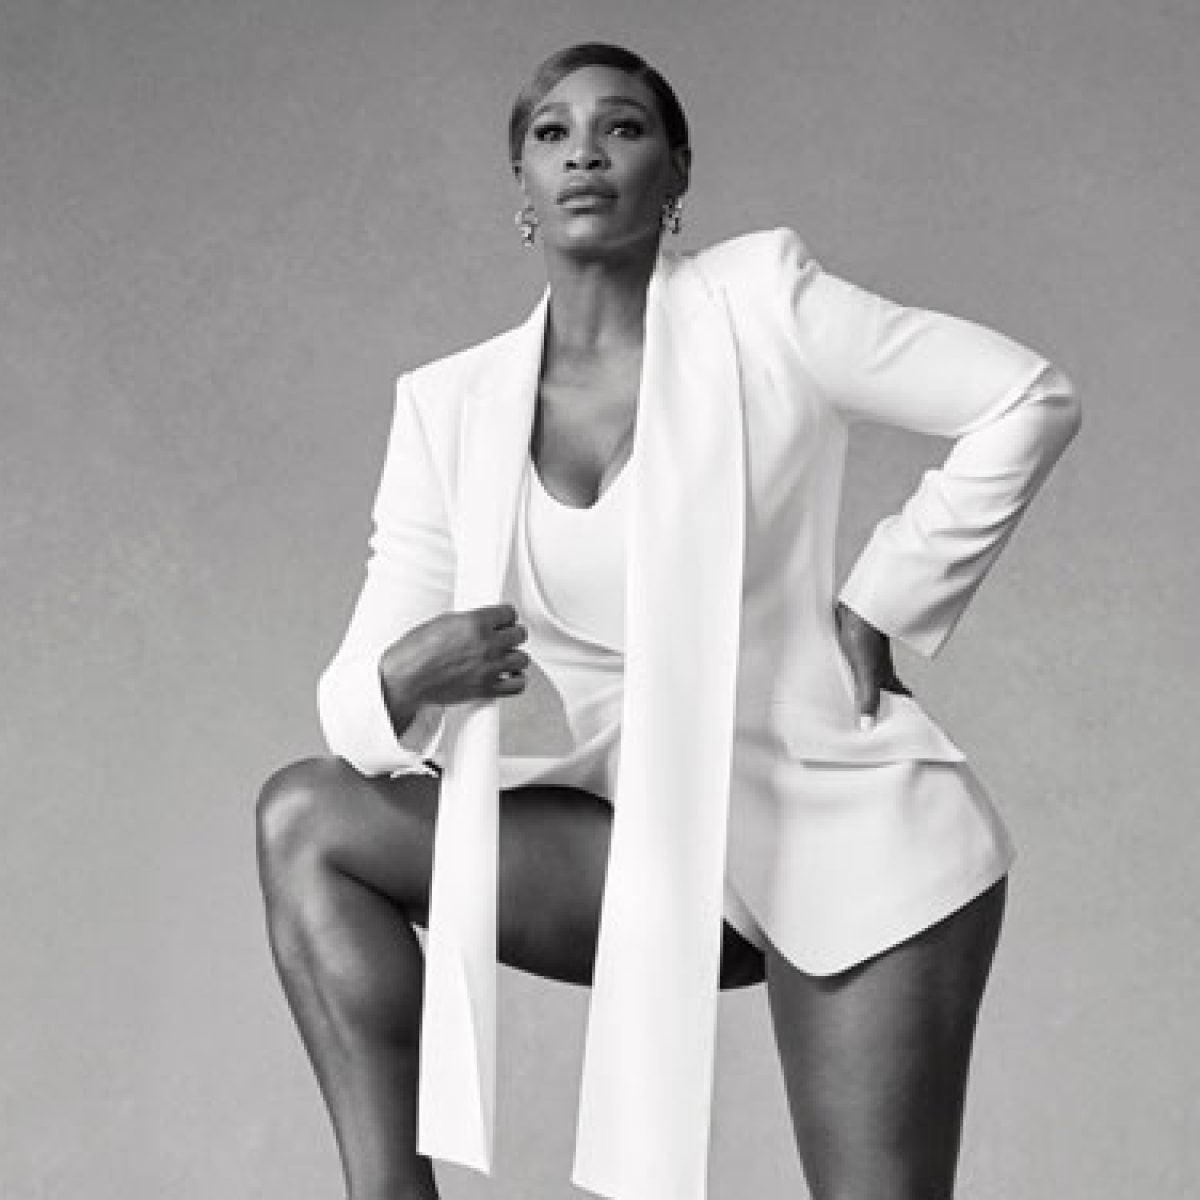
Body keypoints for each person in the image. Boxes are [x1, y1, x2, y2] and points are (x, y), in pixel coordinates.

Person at [256, 42, 1080, 1200]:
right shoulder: (451, 407)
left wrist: (886, 593)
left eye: (624, 127)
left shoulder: (765, 305)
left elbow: (1026, 398)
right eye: (552, 133)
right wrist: (405, 678)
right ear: (522, 183)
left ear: (676, 169)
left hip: (843, 827)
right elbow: (353, 707)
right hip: (644, 840)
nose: (585, 151)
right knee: (306, 817)